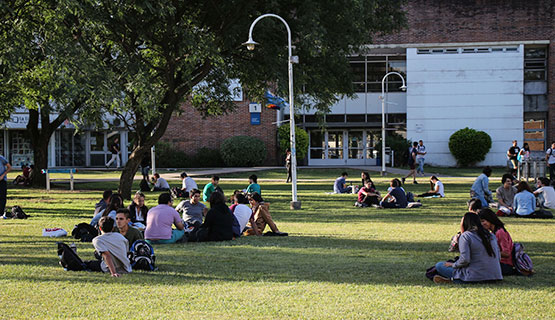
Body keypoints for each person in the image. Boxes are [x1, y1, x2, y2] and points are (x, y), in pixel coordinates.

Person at [433, 212, 502, 284]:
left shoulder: (466, 236)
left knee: (439, 265)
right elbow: (498, 256)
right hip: (494, 276)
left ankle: (457, 280)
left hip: (474, 276)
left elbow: (465, 260)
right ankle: (453, 280)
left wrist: (453, 265)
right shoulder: (491, 235)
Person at [478, 208, 516, 276]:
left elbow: (507, 253)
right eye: (481, 222)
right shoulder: (492, 232)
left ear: (490, 219)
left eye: (483, 221)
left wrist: (489, 252)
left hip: (505, 265)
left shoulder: (500, 232)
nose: (482, 224)